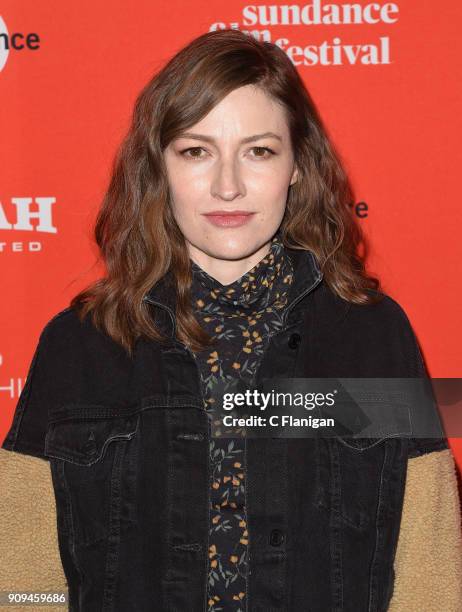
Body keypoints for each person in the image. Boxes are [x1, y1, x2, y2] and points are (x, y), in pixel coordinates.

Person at [1, 28, 461, 612]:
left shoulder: (372, 334)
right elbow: (22, 577)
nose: (228, 186)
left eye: (259, 151)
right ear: (158, 168)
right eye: (196, 151)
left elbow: (429, 569)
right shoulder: (78, 343)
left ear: (297, 166)